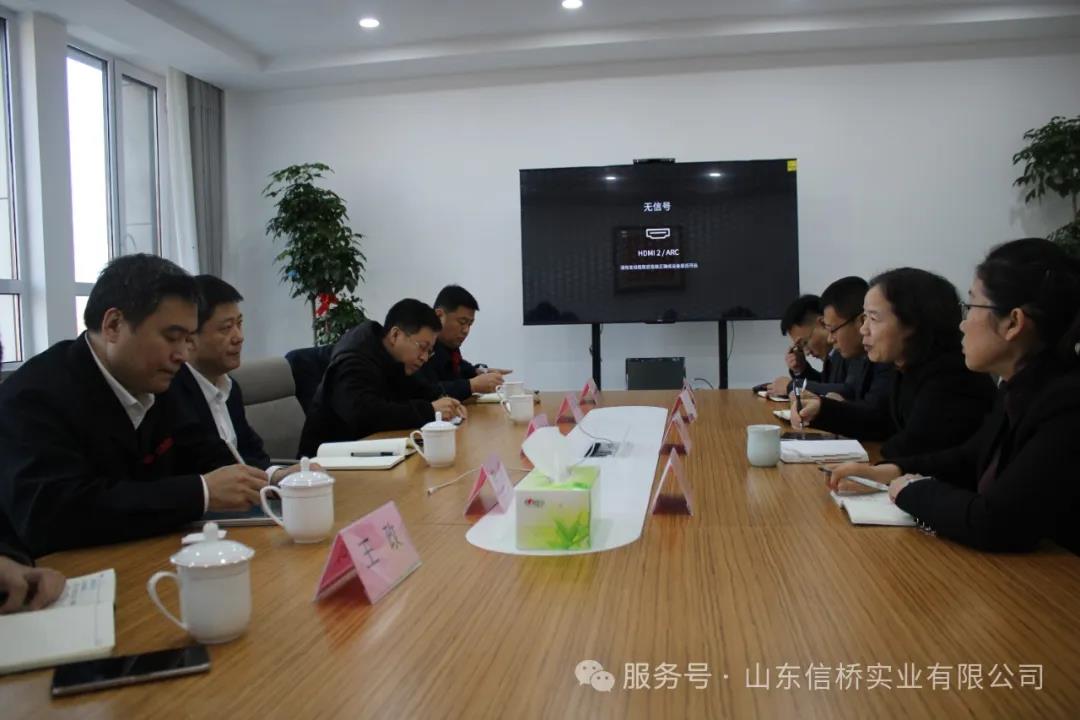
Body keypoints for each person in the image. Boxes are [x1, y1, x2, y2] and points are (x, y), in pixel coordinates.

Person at [0, 255, 270, 557]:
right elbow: (54, 513)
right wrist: (201, 492)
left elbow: (204, 454)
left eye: (187, 339)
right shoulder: (33, 397)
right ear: (114, 325)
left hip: (150, 554)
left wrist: (267, 479)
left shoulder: (159, 382)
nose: (182, 355)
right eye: (172, 337)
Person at [827, 239, 1080, 553]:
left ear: (1013, 323)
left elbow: (998, 521)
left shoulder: (1066, 402)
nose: (962, 324)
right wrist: (891, 471)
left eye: (972, 307)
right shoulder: (1017, 387)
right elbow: (969, 456)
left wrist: (911, 490)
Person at [797, 267, 996, 459]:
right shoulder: (907, 366)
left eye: (873, 318)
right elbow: (880, 421)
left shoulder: (951, 377)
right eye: (864, 318)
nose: (863, 329)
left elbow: (911, 446)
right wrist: (821, 409)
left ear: (912, 322)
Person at [170, 275, 304, 482]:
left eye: (239, 324)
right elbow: (203, 465)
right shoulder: (171, 393)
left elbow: (250, 453)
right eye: (226, 328)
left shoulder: (230, 388)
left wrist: (279, 475)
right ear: (190, 338)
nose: (239, 337)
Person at [299, 299, 467, 456]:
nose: (424, 357)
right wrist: (430, 410)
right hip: (328, 460)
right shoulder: (353, 360)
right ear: (395, 335)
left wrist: (443, 399)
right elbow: (365, 415)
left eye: (429, 351)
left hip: (370, 450)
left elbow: (417, 388)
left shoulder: (391, 355)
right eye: (422, 347)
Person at [790, 276, 894, 435]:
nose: (830, 339)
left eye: (873, 319)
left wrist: (825, 407)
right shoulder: (858, 355)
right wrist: (834, 405)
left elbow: (877, 419)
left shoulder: (886, 358)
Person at [417, 285, 512, 400]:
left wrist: (480, 372)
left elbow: (460, 368)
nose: (466, 330)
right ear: (439, 316)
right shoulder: (420, 347)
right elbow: (425, 391)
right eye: (462, 322)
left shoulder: (449, 347)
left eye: (470, 324)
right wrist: (471, 385)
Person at [766, 295, 846, 397]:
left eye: (805, 343)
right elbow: (824, 386)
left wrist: (794, 386)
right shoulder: (831, 357)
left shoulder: (850, 350)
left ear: (823, 324)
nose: (807, 353)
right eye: (800, 347)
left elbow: (848, 390)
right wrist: (802, 369)